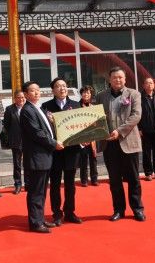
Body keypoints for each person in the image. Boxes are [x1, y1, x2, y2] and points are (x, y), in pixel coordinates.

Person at [95, 67, 146, 222]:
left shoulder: (133, 94)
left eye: (120, 77)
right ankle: (118, 210)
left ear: (125, 79)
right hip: (109, 144)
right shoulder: (101, 96)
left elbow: (136, 115)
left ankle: (137, 209)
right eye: (114, 77)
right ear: (109, 79)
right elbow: (96, 117)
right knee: (114, 179)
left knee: (133, 178)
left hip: (128, 141)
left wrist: (119, 131)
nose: (118, 80)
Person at [20, 81, 64, 233]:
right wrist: (53, 143)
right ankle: (35, 223)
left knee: (42, 191)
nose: (37, 92)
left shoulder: (38, 108)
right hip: (36, 157)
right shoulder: (27, 110)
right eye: (32, 91)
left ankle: (39, 218)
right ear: (26, 94)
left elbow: (46, 129)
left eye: (38, 90)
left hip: (44, 156)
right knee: (36, 192)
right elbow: (37, 133)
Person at [41, 77, 83, 226]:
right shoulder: (46, 106)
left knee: (70, 184)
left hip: (72, 151)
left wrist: (85, 139)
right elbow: (44, 129)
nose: (62, 88)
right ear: (53, 90)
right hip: (55, 152)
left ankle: (70, 212)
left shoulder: (76, 105)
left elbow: (81, 126)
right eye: (58, 86)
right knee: (55, 184)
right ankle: (57, 214)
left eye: (64, 86)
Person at [3, 90, 27, 194]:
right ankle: (17, 185)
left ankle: (28, 183)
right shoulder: (9, 109)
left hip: (29, 141)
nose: (21, 99)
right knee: (17, 164)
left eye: (23, 97)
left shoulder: (29, 107)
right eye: (18, 97)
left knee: (28, 164)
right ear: (14, 99)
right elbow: (6, 125)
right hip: (16, 140)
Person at [78, 85, 99, 187]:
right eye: (84, 92)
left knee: (93, 158)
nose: (86, 94)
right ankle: (84, 180)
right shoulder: (76, 106)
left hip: (93, 137)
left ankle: (94, 179)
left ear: (91, 95)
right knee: (83, 159)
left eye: (88, 93)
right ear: (81, 94)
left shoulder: (94, 107)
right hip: (82, 137)